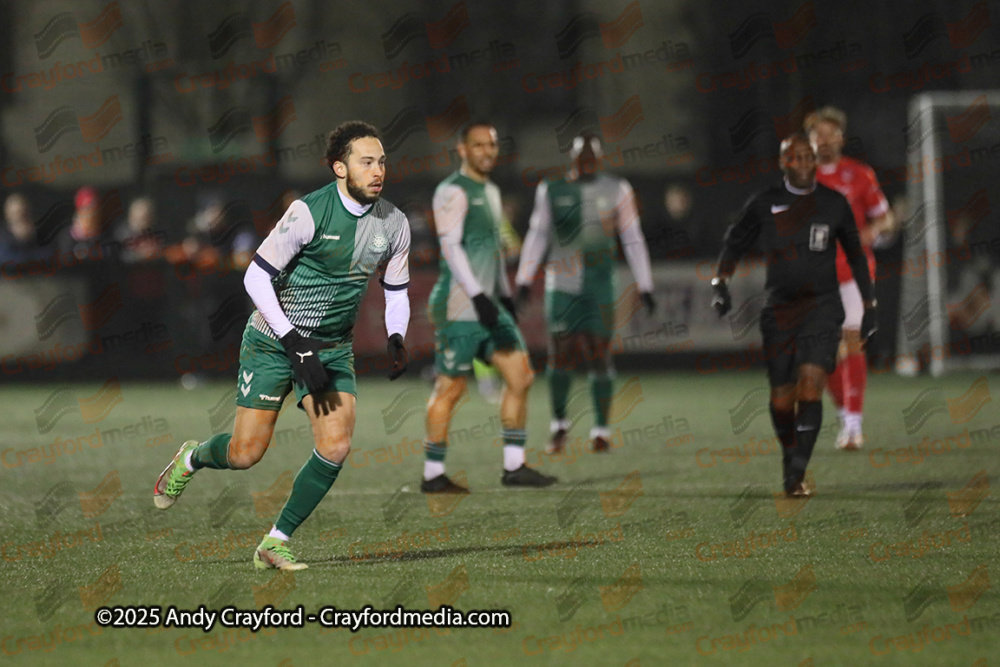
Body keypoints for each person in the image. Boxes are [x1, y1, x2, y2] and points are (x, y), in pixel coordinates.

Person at [153, 121, 412, 570]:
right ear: (339, 167)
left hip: (330, 349)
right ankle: (191, 458)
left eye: (382, 161)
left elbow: (396, 289)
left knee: (335, 446)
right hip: (274, 341)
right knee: (245, 453)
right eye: (366, 161)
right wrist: (293, 342)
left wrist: (396, 334)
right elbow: (255, 276)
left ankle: (275, 540)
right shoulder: (308, 213)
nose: (377, 171)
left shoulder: (395, 223)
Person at [710, 133, 876, 497]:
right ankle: (790, 456)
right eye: (794, 158)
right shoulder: (766, 202)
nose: (802, 164)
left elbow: (857, 254)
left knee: (810, 384)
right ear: (783, 162)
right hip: (780, 309)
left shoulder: (834, 203)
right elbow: (735, 240)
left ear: (815, 162)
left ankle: (796, 473)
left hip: (823, 306)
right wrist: (720, 281)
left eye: (807, 157)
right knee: (782, 399)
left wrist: (869, 304)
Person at [422, 121, 556, 492]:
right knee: (450, 389)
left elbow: (493, 250)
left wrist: (504, 294)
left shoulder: (492, 192)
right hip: (459, 306)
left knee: (521, 376)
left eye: (492, 145)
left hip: (490, 304)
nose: (487, 151)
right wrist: (478, 295)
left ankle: (514, 467)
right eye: (478, 145)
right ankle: (433, 473)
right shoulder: (451, 191)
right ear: (462, 149)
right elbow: (451, 247)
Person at [514, 134, 655, 454]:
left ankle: (601, 430)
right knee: (560, 354)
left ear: (601, 158)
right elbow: (538, 234)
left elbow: (633, 238)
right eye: (583, 155)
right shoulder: (551, 189)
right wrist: (524, 279)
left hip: (600, 284)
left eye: (593, 155)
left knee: (598, 353)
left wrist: (645, 284)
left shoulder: (618, 189)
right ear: (573, 158)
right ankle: (559, 426)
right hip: (561, 283)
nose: (588, 160)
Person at [805, 107, 894, 450]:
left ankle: (854, 426)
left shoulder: (859, 175)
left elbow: (885, 220)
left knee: (852, 339)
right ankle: (847, 415)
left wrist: (871, 232)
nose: (823, 140)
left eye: (829, 133)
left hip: (854, 274)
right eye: (817, 135)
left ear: (840, 137)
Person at [0, 193, 51, 263]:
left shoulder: (40, 234)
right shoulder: (2, 236)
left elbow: (47, 256)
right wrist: (21, 241)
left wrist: (30, 238)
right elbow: (5, 259)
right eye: (16, 213)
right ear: (7, 215)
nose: (20, 217)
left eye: (24, 212)